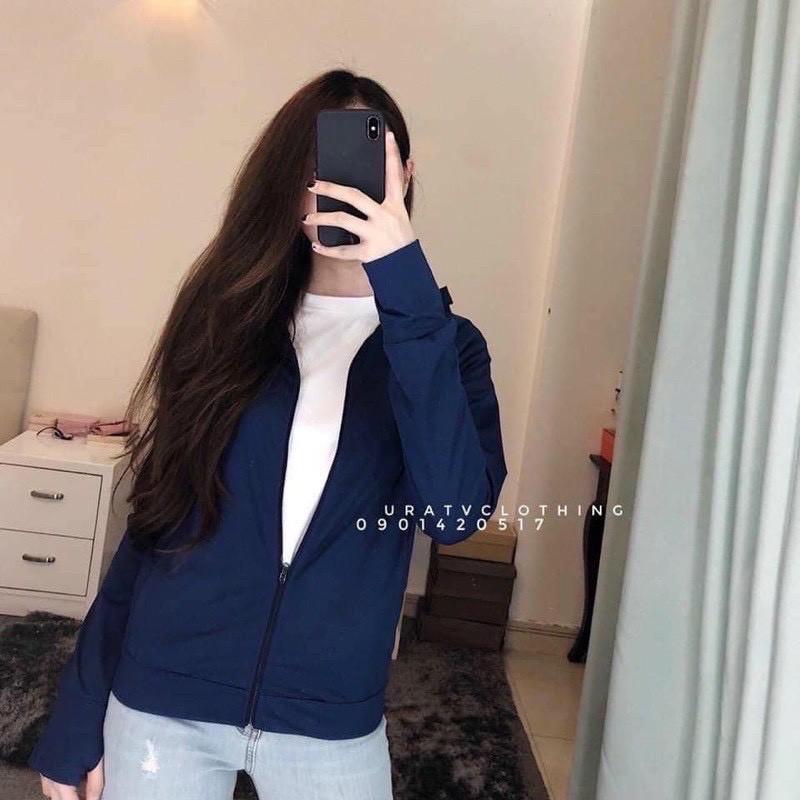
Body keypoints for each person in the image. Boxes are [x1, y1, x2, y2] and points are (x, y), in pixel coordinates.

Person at [28, 69, 507, 800]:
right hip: (163, 701)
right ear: (287, 187)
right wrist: (79, 707)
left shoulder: (447, 347)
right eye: (315, 168)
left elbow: (454, 512)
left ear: (406, 177)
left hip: (329, 718)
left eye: (363, 164)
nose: (336, 187)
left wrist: (405, 284)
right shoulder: (223, 321)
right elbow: (155, 523)